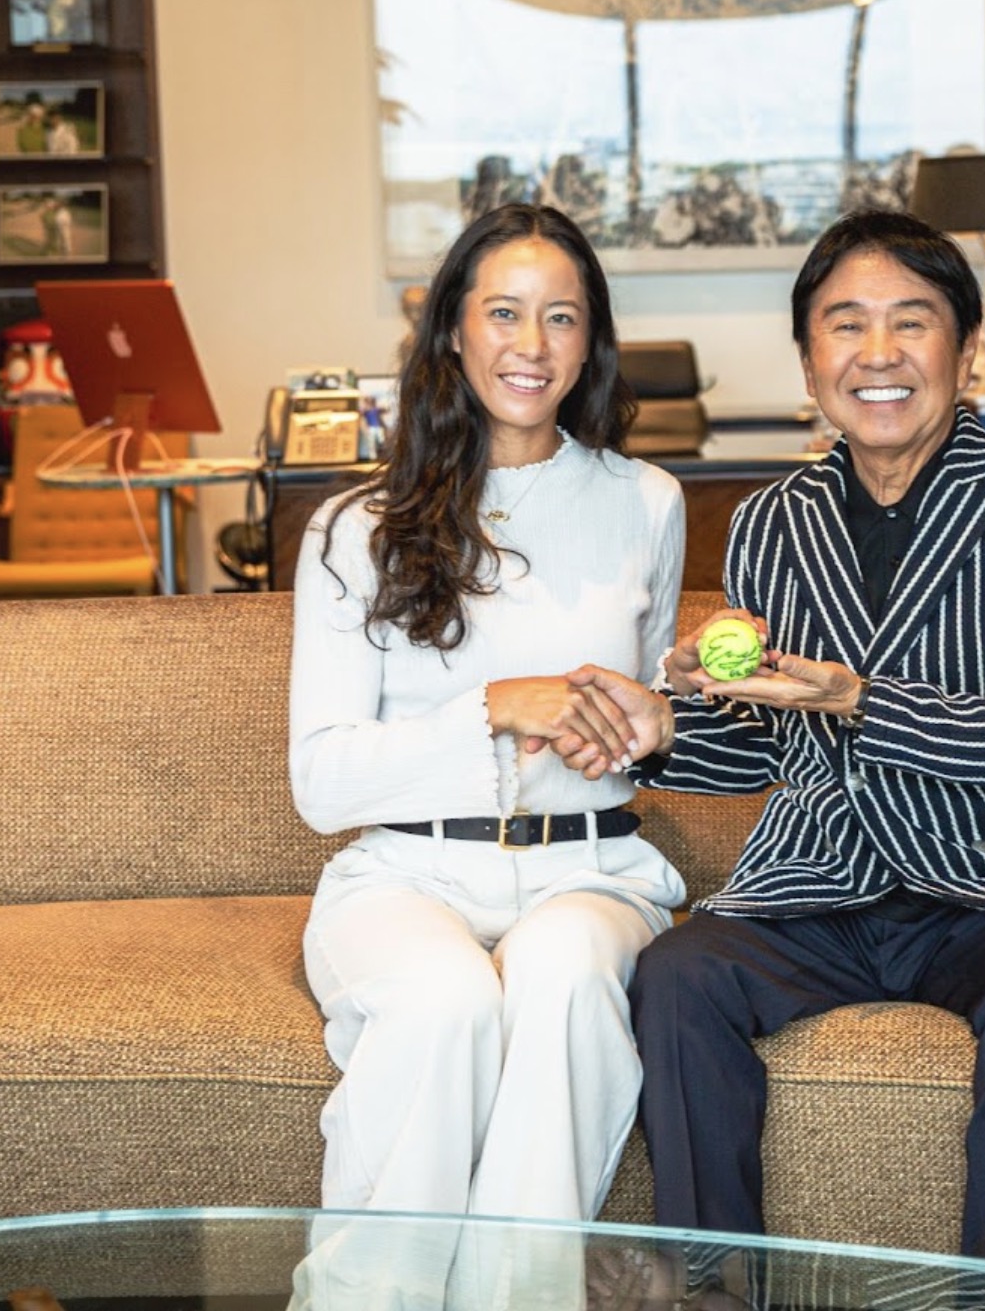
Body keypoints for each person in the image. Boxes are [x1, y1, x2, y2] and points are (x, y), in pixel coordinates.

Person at [554, 209, 985, 1268]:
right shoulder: (771, 520)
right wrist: (660, 727)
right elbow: (767, 747)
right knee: (676, 976)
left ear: (965, 348)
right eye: (846, 325)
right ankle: (718, 1289)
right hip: (816, 887)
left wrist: (859, 696)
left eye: (912, 321)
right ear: (810, 359)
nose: (878, 354)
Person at [288, 201, 688, 1224]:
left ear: (590, 342)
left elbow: (646, 729)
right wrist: (497, 708)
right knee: (445, 1001)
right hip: (406, 875)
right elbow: (322, 782)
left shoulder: (645, 500)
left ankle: (519, 1286)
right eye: (503, 312)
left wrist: (655, 718)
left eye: (562, 317)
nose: (531, 345)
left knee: (563, 977)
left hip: (590, 870)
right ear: (453, 330)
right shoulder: (354, 527)